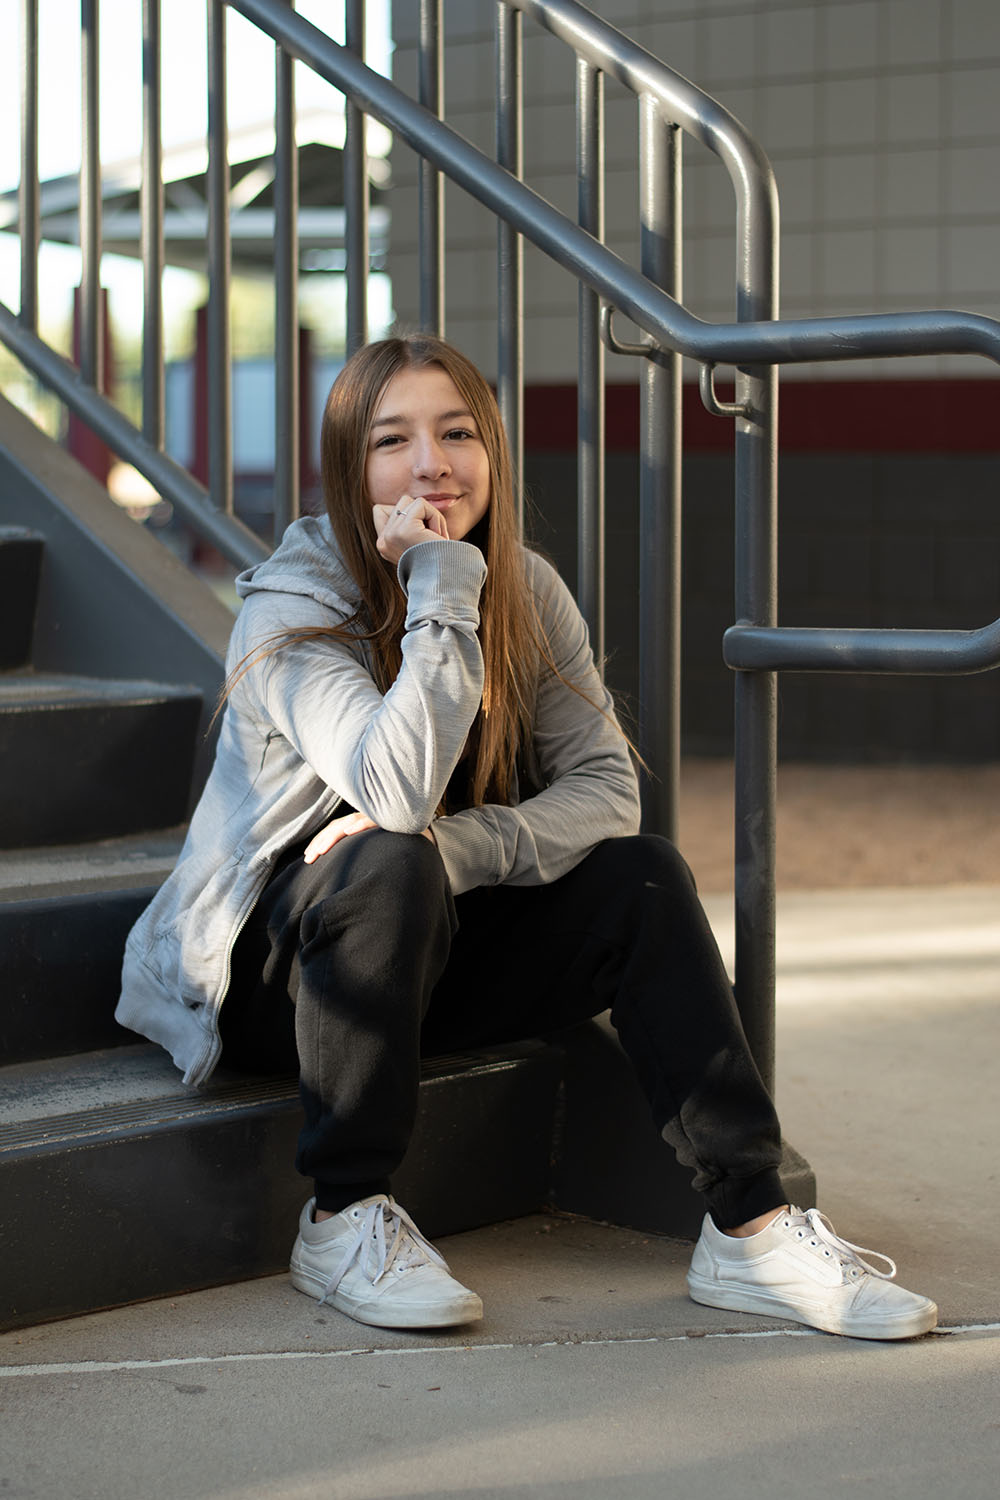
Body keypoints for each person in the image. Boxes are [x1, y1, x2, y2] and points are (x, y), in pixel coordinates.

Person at [117, 334, 937, 1341]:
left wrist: (463, 849)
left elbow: (605, 792)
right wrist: (439, 585)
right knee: (385, 854)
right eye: (393, 440)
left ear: (493, 450)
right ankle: (343, 1216)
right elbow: (395, 787)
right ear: (347, 469)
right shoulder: (293, 606)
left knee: (639, 878)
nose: (432, 463)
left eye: (457, 432)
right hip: (267, 984)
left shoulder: (527, 591)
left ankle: (750, 1229)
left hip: (419, 942)